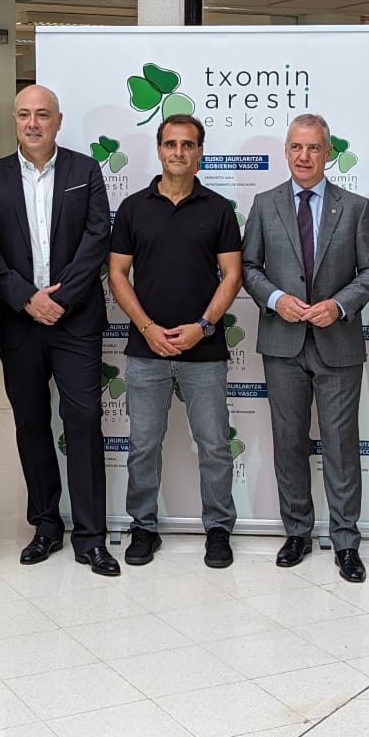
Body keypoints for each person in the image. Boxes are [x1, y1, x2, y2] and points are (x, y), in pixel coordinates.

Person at [0, 84, 120, 577]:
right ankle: (45, 525)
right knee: (31, 425)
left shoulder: (84, 170)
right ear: (13, 121)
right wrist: (25, 298)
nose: (33, 123)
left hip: (75, 321)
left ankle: (92, 536)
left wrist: (58, 299)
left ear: (58, 121)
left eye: (42, 115)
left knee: (82, 423)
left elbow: (98, 236)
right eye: (23, 115)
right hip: (20, 323)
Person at [242, 114, 369, 583]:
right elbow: (249, 267)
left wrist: (341, 306)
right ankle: (298, 534)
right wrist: (275, 298)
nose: (304, 156)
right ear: (287, 152)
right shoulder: (264, 205)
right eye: (295, 148)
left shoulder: (355, 207)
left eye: (313, 148)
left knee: (342, 447)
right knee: (288, 444)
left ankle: (346, 542)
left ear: (328, 152)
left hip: (337, 344)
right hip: (283, 344)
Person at [107, 113, 243, 568]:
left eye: (188, 145)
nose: (179, 152)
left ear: (200, 153)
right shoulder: (132, 208)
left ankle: (219, 529)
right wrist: (147, 328)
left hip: (203, 349)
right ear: (159, 149)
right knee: (144, 443)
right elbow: (117, 274)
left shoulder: (219, 209)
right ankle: (143, 527)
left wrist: (202, 327)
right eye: (171, 144)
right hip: (146, 350)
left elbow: (233, 275)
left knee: (214, 445)